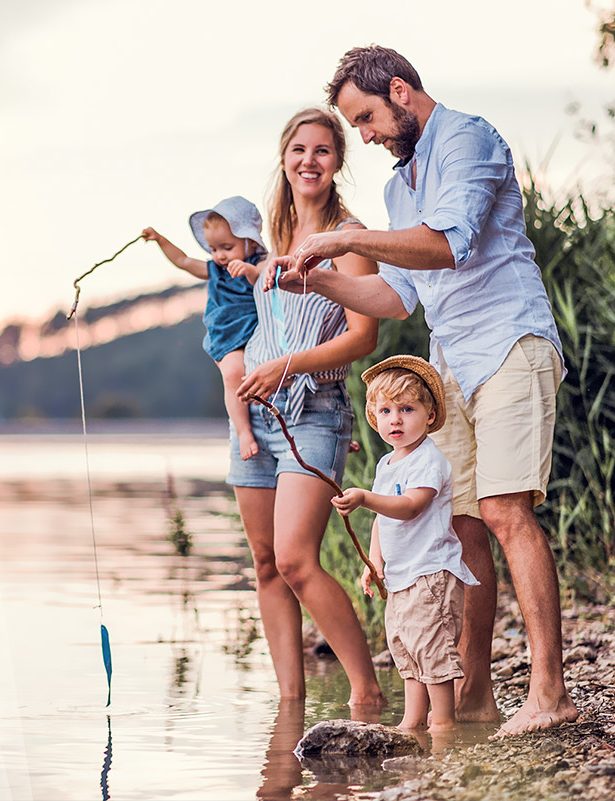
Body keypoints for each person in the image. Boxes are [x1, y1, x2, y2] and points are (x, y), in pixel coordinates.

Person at [267, 45, 580, 736]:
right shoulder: (397, 189)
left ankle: (550, 691)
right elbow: (395, 293)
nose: (367, 135)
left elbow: (450, 244)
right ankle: (472, 698)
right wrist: (315, 277)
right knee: (459, 524)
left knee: (503, 509)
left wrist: (344, 236)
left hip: (508, 342)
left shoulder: (469, 138)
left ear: (402, 91)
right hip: (449, 364)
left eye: (368, 118)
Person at [232, 108, 383, 708]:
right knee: (266, 564)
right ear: (285, 158)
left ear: (338, 161)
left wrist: (286, 367)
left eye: (322, 150)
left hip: (314, 409)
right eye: (299, 149)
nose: (309, 161)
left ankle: (367, 691)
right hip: (256, 414)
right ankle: (289, 707)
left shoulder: (350, 238)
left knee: (296, 559)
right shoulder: (275, 240)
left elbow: (364, 336)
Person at [333, 356, 480, 731]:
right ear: (374, 417)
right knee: (407, 648)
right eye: (385, 410)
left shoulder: (428, 460)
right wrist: (375, 561)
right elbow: (384, 521)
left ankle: (444, 724)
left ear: (429, 415)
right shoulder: (386, 465)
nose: (395, 419)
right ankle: (412, 722)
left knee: (432, 650)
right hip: (401, 577)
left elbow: (411, 507)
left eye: (406, 409)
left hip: (430, 574)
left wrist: (365, 497)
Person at [142, 197, 266, 460]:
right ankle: (244, 431)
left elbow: (267, 280)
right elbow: (184, 261)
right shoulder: (214, 269)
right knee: (233, 373)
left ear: (251, 241)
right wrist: (161, 240)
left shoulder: (261, 263)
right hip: (229, 336)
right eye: (213, 249)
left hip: (258, 333)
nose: (220, 255)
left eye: (227, 247)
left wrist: (249, 271)